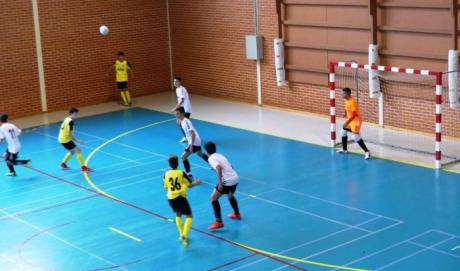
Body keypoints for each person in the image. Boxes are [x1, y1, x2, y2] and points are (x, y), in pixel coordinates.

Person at [163, 155, 202, 247]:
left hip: (170, 198)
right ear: (178, 164)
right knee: (189, 216)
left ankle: (181, 235)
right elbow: (189, 185)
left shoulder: (166, 174)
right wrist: (197, 183)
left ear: (169, 165)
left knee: (178, 214)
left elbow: (165, 187)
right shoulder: (181, 173)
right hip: (180, 197)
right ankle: (184, 234)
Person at [204, 141, 241, 230]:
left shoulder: (211, 158)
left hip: (227, 181)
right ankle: (237, 214)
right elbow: (230, 165)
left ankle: (219, 222)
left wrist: (220, 182)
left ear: (206, 151)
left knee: (213, 198)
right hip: (235, 178)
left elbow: (218, 167)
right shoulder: (220, 155)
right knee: (230, 195)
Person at [175, 107, 208, 180]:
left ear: (182, 113)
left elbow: (193, 134)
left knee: (183, 157)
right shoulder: (182, 121)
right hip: (196, 140)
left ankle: (189, 175)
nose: (176, 115)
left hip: (194, 141)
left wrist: (191, 145)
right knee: (200, 154)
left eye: (177, 114)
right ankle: (213, 164)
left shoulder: (186, 122)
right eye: (176, 114)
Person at [337, 88, 370, 159]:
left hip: (356, 121)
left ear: (348, 94)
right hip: (350, 120)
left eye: (344, 93)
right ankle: (344, 149)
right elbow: (346, 107)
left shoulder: (352, 102)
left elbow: (354, 115)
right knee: (343, 132)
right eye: (342, 93)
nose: (342, 95)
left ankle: (367, 152)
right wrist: (345, 113)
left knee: (355, 137)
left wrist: (346, 122)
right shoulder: (346, 100)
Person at [58, 108, 93, 172]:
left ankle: (63, 164)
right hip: (65, 140)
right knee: (78, 150)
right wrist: (77, 141)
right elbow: (69, 134)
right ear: (73, 113)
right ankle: (84, 168)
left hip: (62, 138)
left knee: (73, 151)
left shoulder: (66, 119)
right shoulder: (70, 122)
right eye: (76, 114)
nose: (77, 115)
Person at [171, 76, 192, 143]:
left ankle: (188, 137)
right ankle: (188, 136)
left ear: (179, 82)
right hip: (182, 109)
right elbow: (179, 100)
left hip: (186, 109)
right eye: (174, 81)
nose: (174, 83)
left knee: (182, 123)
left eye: (176, 81)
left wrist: (175, 108)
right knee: (180, 123)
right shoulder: (177, 89)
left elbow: (182, 100)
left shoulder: (182, 89)